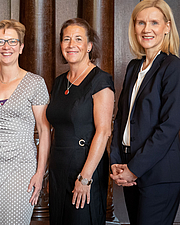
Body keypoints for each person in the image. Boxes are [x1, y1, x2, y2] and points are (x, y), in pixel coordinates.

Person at [0, 19, 51, 224]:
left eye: (12, 42)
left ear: (21, 47)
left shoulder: (35, 83)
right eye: (0, 42)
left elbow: (44, 130)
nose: (7, 47)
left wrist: (40, 173)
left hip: (21, 167)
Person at [110, 0, 180, 225]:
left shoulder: (173, 67)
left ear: (167, 27)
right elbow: (121, 119)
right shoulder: (134, 67)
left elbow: (168, 128)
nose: (146, 29)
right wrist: (116, 160)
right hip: (130, 170)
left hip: (159, 175)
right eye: (141, 23)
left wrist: (134, 168)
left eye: (154, 23)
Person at [46, 18, 114, 224]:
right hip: (58, 168)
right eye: (66, 39)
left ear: (89, 46)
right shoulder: (59, 82)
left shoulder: (100, 80)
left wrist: (85, 178)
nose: (71, 44)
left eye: (78, 39)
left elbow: (103, 132)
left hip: (85, 167)